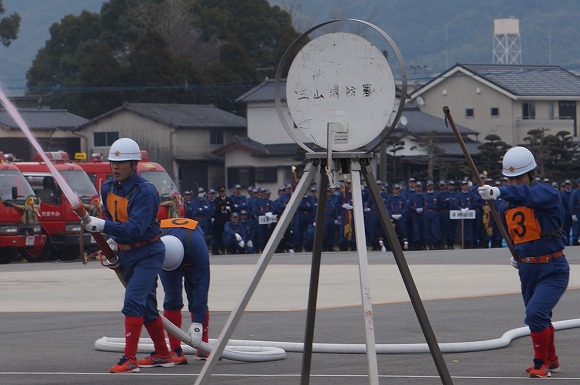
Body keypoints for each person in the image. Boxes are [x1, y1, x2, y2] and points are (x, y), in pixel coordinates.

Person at [83, 138, 174, 373]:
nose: (115, 166)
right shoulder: (107, 188)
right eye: (113, 161)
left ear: (134, 164)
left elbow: (136, 229)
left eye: (121, 162)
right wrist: (112, 240)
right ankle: (163, 354)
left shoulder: (145, 192)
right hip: (125, 254)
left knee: (133, 301)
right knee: (146, 307)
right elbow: (114, 221)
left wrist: (102, 226)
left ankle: (130, 358)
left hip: (148, 252)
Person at [478, 146, 569, 378]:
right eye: (511, 179)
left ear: (532, 175)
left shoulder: (547, 193)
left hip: (553, 267)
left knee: (535, 314)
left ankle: (540, 364)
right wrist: (518, 253)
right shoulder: (507, 201)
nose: (515, 183)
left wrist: (499, 191)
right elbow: (517, 231)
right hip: (527, 267)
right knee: (540, 316)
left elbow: (526, 195)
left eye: (519, 178)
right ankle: (552, 360)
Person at [158, 217, 210, 362]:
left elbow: (201, 288)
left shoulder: (198, 247)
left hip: (192, 250)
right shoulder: (157, 241)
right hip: (167, 257)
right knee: (172, 300)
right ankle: (176, 351)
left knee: (196, 297)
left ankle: (203, 347)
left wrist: (198, 323)